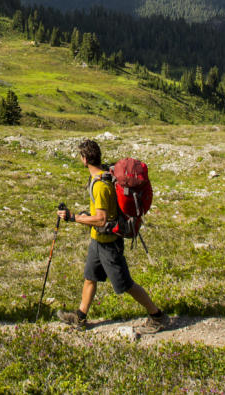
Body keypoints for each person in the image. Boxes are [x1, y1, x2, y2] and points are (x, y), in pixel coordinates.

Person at [56, 139, 168, 333]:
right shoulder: (104, 175)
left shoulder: (100, 185)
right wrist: (84, 215)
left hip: (108, 244)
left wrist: (74, 218)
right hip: (97, 241)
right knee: (90, 277)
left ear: (84, 159)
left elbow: (101, 219)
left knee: (126, 284)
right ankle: (80, 317)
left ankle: (157, 316)